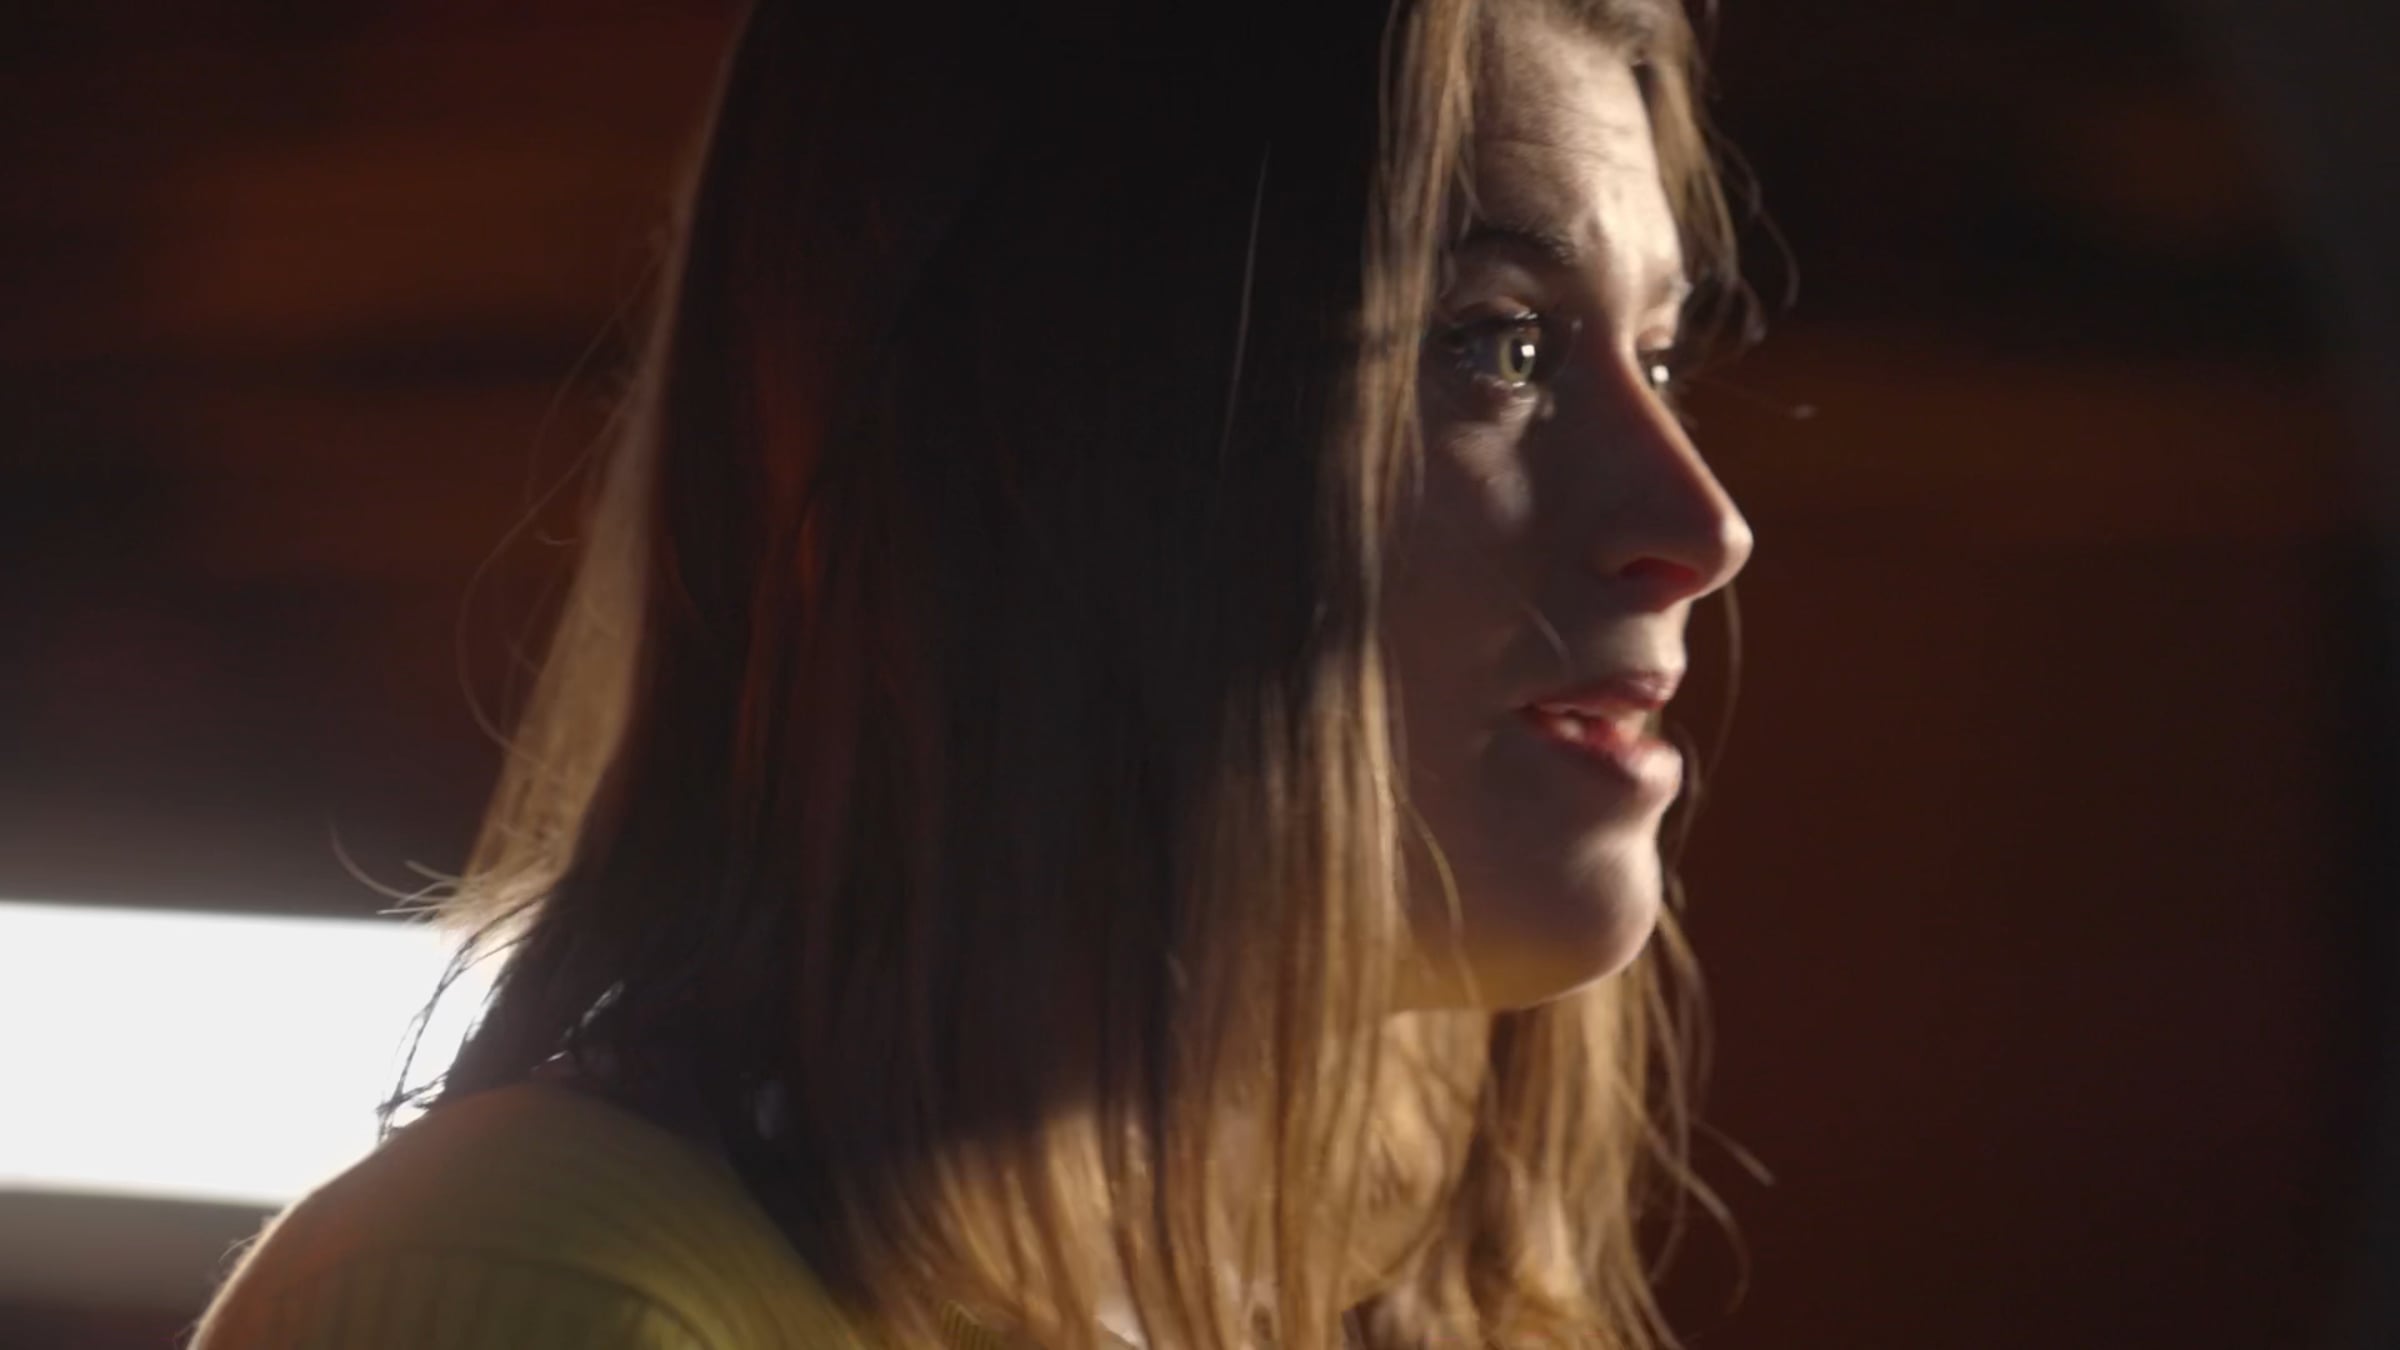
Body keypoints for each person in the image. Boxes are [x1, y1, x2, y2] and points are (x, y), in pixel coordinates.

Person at [192, 0, 1753, 1344]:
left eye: (1660, 357)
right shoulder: (539, 1298)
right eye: (1498, 344)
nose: (1705, 525)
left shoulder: (1392, 1301)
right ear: (1059, 434)